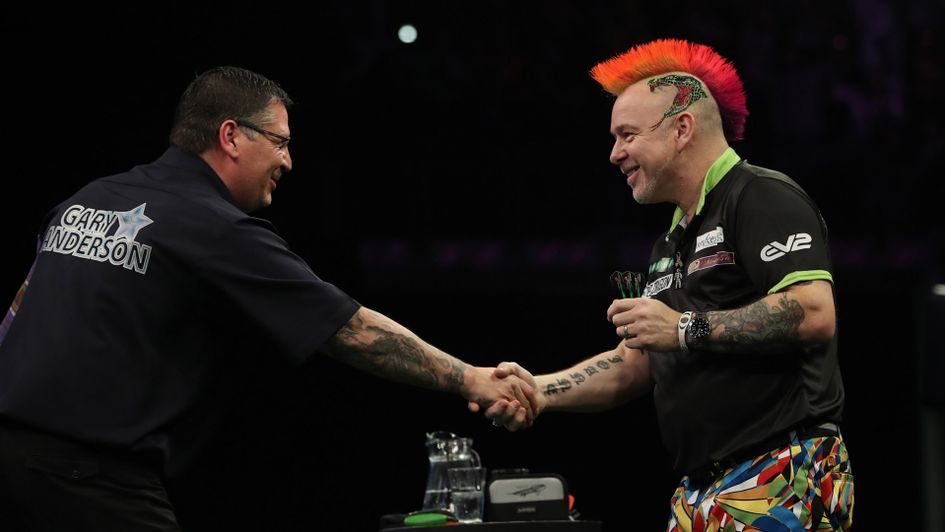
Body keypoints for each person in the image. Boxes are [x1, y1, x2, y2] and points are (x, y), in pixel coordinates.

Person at [0, 66, 534, 532]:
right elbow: (349, 330)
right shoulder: (215, 226)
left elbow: (18, 313)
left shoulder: (87, 200)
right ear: (230, 135)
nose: (289, 161)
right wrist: (471, 378)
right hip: (87, 477)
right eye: (279, 142)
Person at [483, 39, 854, 530]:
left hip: (781, 469)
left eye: (627, 135)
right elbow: (637, 365)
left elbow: (812, 312)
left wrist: (682, 327)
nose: (615, 154)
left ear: (682, 128)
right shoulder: (670, 242)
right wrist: (541, 390)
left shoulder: (761, 196)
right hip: (700, 488)